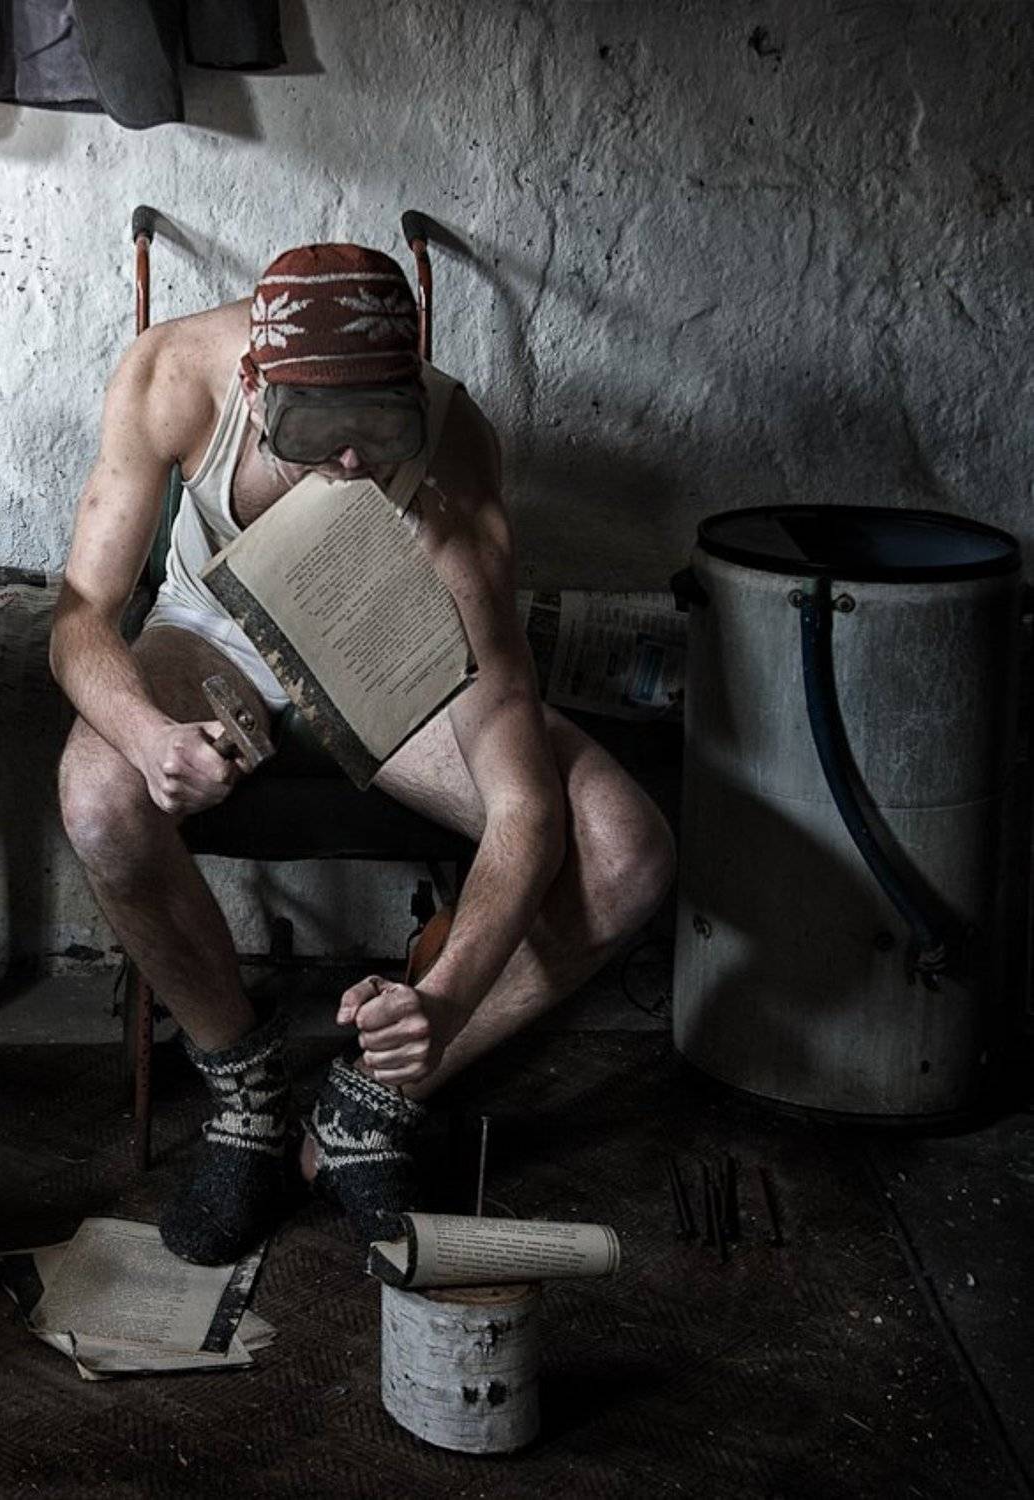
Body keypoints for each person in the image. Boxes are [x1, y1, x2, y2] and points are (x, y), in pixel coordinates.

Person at [51, 243, 675, 1264]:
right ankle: (247, 1097)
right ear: (257, 388)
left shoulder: (452, 455)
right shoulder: (171, 376)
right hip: (211, 640)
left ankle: (364, 1106)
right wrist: (146, 734)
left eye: (378, 432)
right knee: (95, 795)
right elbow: (78, 618)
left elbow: (522, 801)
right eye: (319, 434)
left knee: (627, 850)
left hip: (384, 646)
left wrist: (444, 1001)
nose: (349, 465)